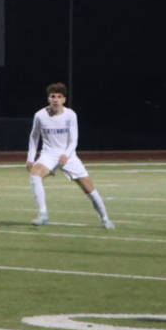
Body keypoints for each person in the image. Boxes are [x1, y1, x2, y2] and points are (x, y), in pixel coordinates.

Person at [26, 83, 115, 229]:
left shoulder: (70, 115)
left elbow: (74, 140)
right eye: (52, 96)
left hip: (69, 155)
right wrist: (30, 158)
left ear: (64, 100)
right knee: (35, 174)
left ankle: (105, 218)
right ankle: (43, 214)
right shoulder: (40, 115)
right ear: (48, 99)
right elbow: (34, 137)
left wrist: (66, 155)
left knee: (88, 188)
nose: (55, 99)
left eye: (59, 97)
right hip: (48, 154)